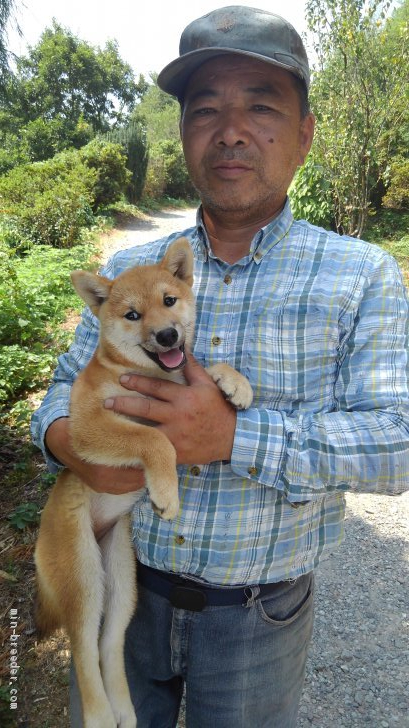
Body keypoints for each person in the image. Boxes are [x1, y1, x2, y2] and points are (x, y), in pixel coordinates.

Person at [31, 6, 409, 727]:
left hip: (258, 618)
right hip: (123, 576)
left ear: (303, 135)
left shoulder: (362, 275)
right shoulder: (127, 274)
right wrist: (70, 443)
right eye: (205, 110)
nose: (230, 130)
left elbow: (394, 445)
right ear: (183, 134)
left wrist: (233, 437)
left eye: (260, 107)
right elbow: (54, 397)